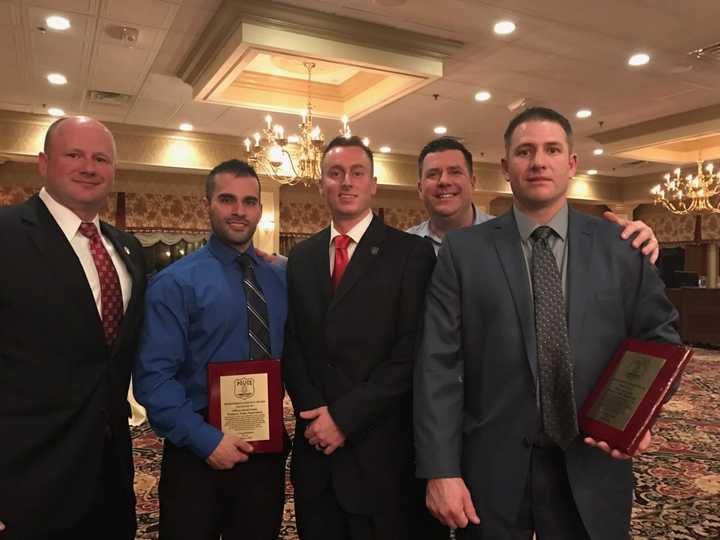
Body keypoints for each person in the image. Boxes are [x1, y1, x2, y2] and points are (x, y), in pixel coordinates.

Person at [414, 107, 681, 540]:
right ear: (505, 167)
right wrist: (440, 469)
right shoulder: (464, 252)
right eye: (525, 151)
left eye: (552, 149)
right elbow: (437, 366)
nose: (538, 161)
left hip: (595, 461)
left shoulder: (621, 247)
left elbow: (660, 340)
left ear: (572, 163)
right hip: (492, 469)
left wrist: (639, 416)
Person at [283, 136, 443, 540]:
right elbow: (294, 343)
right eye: (335, 174)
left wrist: (343, 418)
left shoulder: (411, 253)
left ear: (373, 183)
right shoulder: (301, 257)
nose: (347, 182)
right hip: (315, 446)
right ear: (321, 185)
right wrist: (315, 412)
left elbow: (412, 353)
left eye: (357, 173)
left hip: (381, 451)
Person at [0, 116, 146, 539]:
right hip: (26, 479)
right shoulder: (6, 235)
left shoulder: (128, 249)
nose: (89, 167)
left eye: (101, 158)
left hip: (111, 473)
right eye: (74, 155)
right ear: (43, 163)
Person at [133, 160, 288, 540]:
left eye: (250, 201)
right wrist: (206, 440)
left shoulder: (280, 277)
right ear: (207, 205)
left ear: (260, 210)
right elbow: (154, 377)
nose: (239, 210)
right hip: (196, 447)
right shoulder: (175, 283)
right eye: (227, 199)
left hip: (263, 448)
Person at [407, 137, 660, 262]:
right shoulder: (402, 248)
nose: (443, 181)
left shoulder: (514, 239)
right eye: (432, 174)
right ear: (420, 188)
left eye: (455, 172)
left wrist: (638, 241)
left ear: (473, 182)